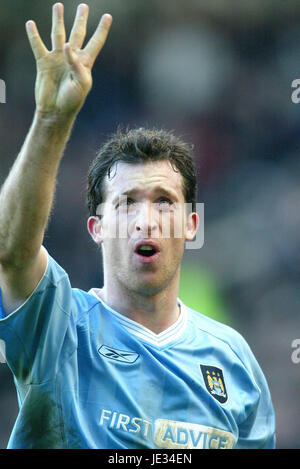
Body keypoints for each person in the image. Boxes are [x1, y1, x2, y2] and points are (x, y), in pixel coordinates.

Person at [0, 3, 275, 449]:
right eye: (126, 204)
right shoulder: (59, 325)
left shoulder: (234, 360)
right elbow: (11, 251)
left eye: (164, 202)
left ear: (191, 225)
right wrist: (51, 121)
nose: (145, 218)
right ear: (97, 227)